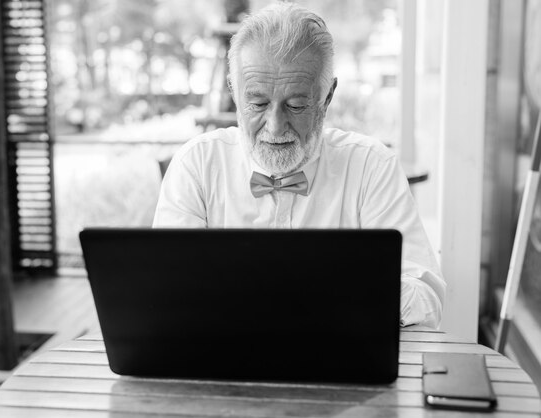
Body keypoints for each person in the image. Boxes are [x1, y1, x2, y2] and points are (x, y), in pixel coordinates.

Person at [153, 2, 445, 328]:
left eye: (296, 105)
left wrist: (342, 285)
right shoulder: (197, 164)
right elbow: (165, 289)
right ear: (235, 93)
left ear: (327, 96)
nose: (275, 126)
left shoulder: (371, 168)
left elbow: (427, 300)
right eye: (258, 103)